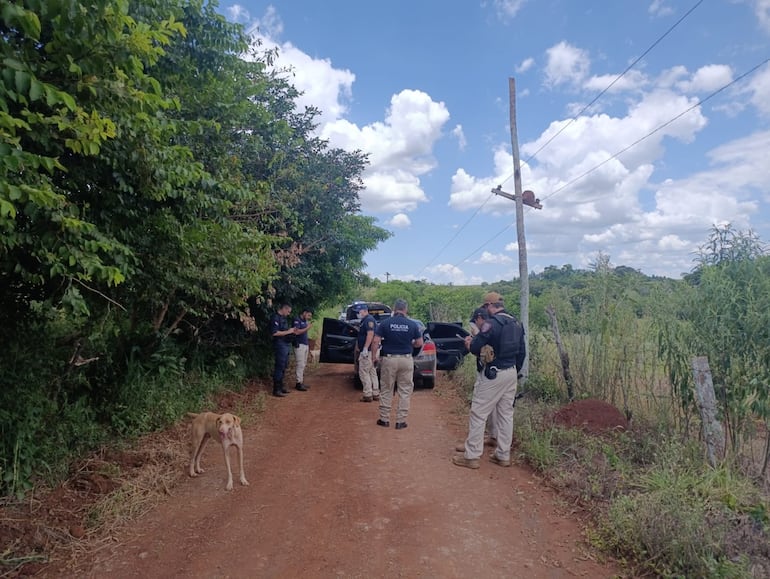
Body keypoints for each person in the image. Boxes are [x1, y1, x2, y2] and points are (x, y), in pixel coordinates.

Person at [453, 292, 526, 469]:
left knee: (478, 413)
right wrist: (514, 370)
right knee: (506, 415)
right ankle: (503, 455)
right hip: (511, 372)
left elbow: (476, 348)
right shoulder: (516, 323)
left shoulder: (490, 324)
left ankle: (472, 456)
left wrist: (469, 344)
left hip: (494, 373)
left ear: (488, 306)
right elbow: (522, 352)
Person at [372, 299, 423, 430]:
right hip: (406, 359)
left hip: (389, 359)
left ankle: (384, 419)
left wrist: (373, 357)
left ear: (394, 309)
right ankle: (401, 421)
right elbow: (419, 343)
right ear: (406, 309)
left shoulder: (385, 323)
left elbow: (376, 341)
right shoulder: (412, 324)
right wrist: (409, 344)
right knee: (405, 390)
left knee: (386, 388)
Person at [270, 303, 296, 397]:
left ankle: (281, 387)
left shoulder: (283, 318)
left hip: (285, 344)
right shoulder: (275, 318)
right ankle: (276, 390)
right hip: (279, 344)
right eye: (288, 311)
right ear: (284, 309)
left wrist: (291, 332)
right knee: (279, 366)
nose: (289, 314)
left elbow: (284, 331)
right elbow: (274, 333)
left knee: (284, 366)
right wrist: (288, 331)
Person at [355, 304, 380, 403]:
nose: (358, 313)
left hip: (369, 351)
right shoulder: (365, 320)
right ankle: (375, 393)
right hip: (371, 351)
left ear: (365, 311)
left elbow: (370, 334)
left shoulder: (368, 320)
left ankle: (368, 394)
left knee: (364, 372)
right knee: (372, 371)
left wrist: (365, 348)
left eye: (359, 311)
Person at [292, 308, 313, 391]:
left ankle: (301, 381)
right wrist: (307, 328)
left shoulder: (304, 321)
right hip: (299, 345)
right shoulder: (297, 320)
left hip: (305, 344)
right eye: (308, 315)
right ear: (304, 313)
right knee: (300, 364)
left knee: (303, 364)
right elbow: (296, 332)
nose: (309, 317)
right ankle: (298, 383)